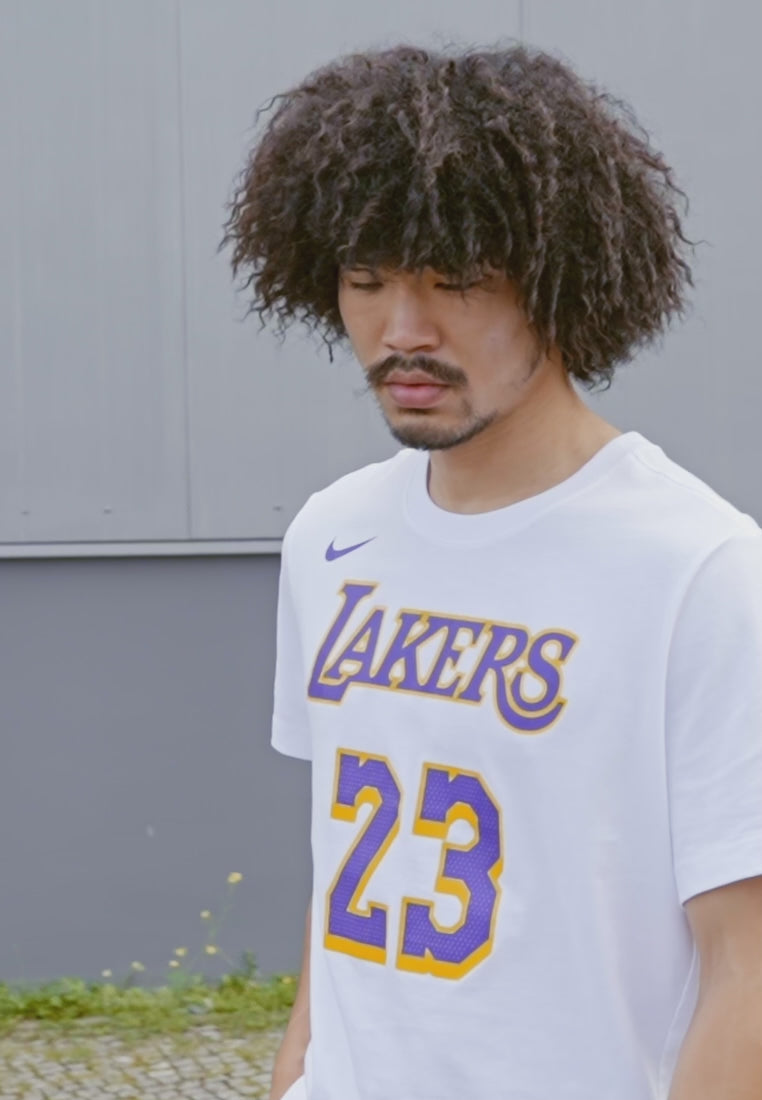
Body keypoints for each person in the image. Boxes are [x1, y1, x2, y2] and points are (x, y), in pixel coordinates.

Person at [222, 42, 762, 1100]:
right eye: (366, 281)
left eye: (456, 283)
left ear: (561, 282)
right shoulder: (330, 538)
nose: (403, 331)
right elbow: (345, 866)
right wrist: (296, 1072)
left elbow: (747, 968)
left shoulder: (701, 573)